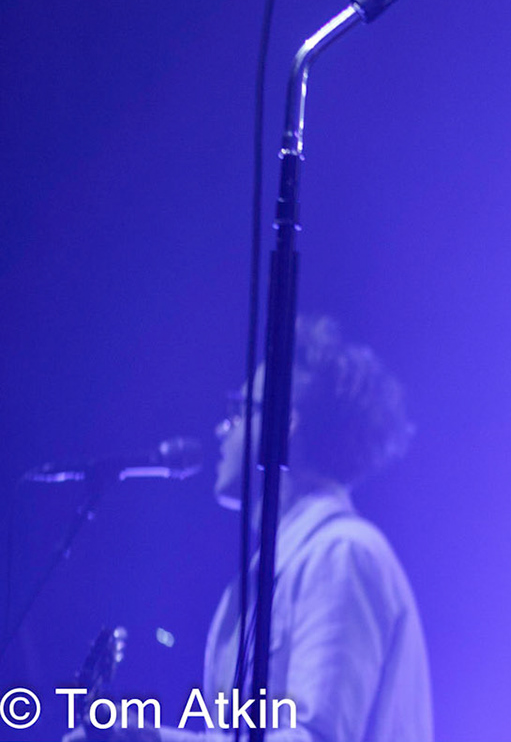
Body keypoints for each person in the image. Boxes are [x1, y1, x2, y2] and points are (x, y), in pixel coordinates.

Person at [124, 317, 433, 742]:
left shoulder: (341, 553)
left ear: (284, 423)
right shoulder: (295, 560)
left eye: (239, 411)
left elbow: (315, 736)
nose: (221, 429)